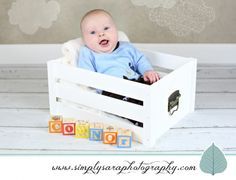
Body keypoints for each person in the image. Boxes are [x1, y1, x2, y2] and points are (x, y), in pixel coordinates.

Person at [77, 9, 160, 126]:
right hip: (112, 89)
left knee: (155, 83)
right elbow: (86, 75)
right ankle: (140, 118)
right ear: (84, 39)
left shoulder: (126, 47)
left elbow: (140, 60)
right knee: (123, 103)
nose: (101, 34)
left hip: (136, 82)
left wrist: (147, 71)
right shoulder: (88, 53)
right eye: (92, 32)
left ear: (116, 30)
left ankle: (158, 105)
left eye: (106, 28)